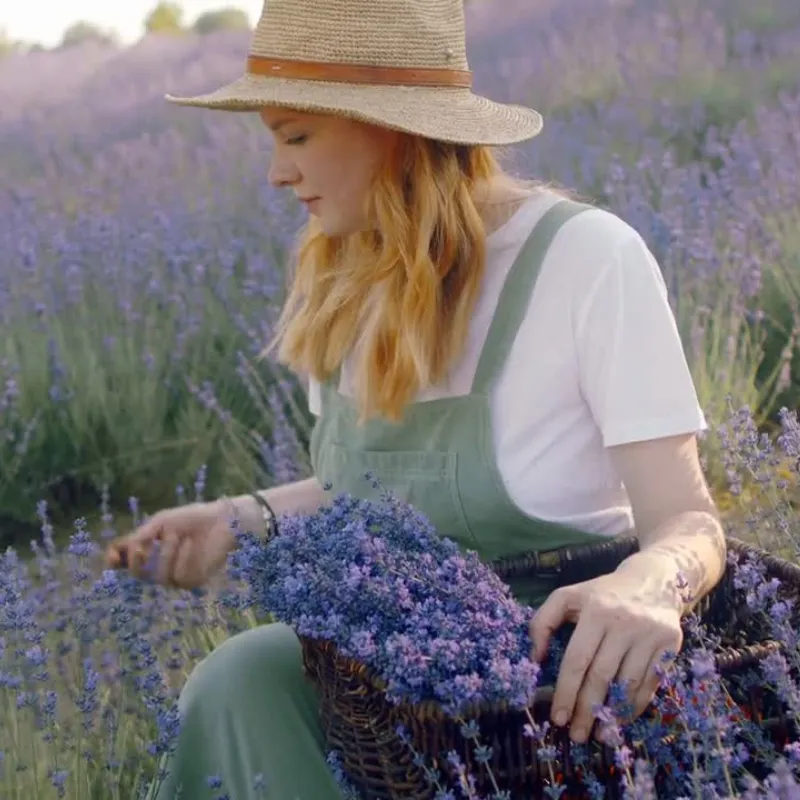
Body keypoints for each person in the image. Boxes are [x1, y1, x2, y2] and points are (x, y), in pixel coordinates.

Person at [105, 0, 728, 797]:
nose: (276, 173)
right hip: (385, 681)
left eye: (295, 136)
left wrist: (650, 584)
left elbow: (689, 517)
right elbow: (368, 496)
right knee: (240, 679)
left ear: (392, 129)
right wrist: (237, 520)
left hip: (557, 683)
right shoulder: (338, 279)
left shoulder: (585, 260)